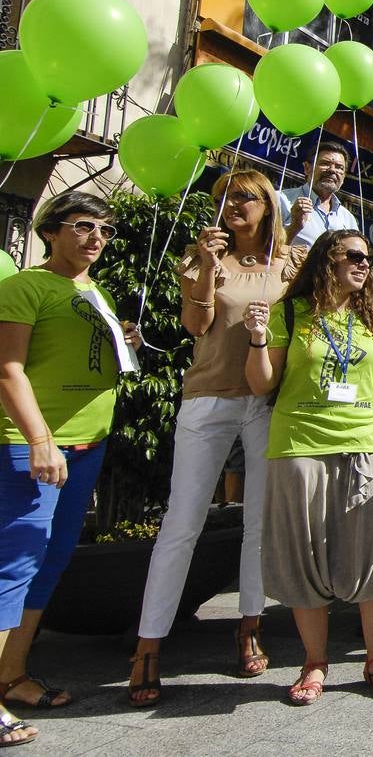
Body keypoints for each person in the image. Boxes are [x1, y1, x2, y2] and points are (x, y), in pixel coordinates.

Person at [129, 171, 306, 707]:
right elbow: (195, 324)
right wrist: (207, 267)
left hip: (266, 401)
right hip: (207, 398)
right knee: (182, 522)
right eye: (223, 198)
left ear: (267, 205)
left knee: (258, 521)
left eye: (244, 197)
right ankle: (147, 645)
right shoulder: (199, 256)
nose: (232, 205)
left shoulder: (289, 264)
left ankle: (249, 624)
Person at [243, 229, 373, 704]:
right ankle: (315, 662)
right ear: (326, 260)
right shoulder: (288, 313)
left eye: (369, 258)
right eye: (354, 256)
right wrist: (257, 339)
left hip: (364, 445)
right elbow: (259, 384)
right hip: (299, 448)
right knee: (304, 555)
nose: (364, 265)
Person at [0, 193, 139, 746]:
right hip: (34, 446)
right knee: (14, 566)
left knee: (50, 564)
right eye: (83, 226)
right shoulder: (23, 287)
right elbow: (8, 368)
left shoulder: (91, 290)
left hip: (86, 446)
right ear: (50, 231)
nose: (96, 238)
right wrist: (39, 439)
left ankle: (12, 674)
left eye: (103, 229)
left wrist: (120, 341)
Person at [278, 141, 358, 248]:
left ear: (344, 177)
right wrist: (294, 227)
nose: (332, 170)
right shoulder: (280, 199)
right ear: (307, 168)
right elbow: (263, 247)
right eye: (325, 163)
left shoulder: (348, 219)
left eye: (339, 167)